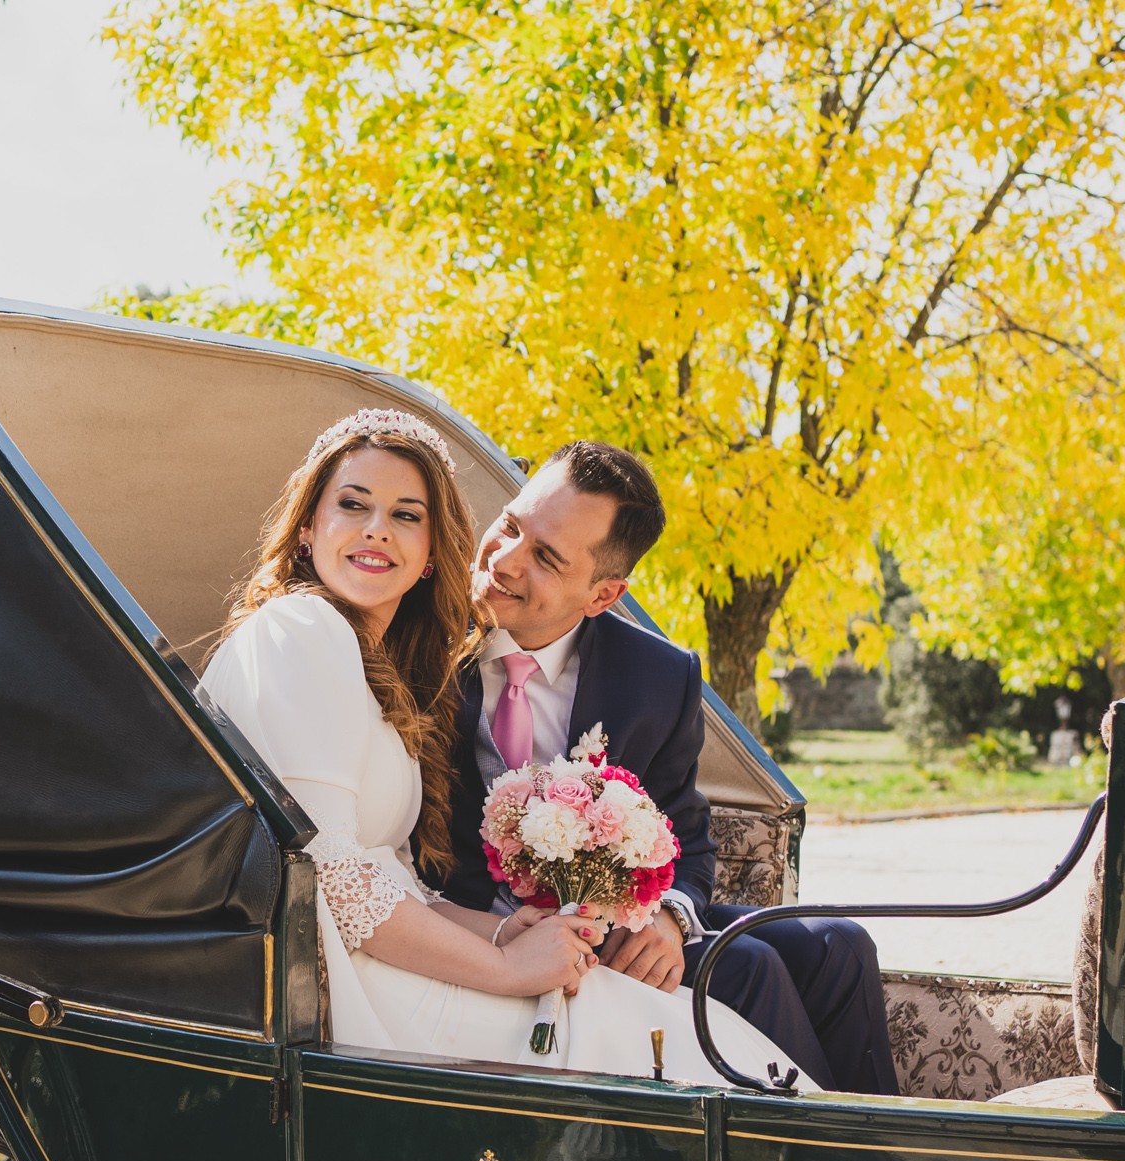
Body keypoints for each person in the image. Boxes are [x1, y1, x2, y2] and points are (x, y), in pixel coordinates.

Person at [200, 408, 808, 1084]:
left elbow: (392, 874)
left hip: (414, 945)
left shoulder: (369, 657)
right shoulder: (300, 630)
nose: (377, 529)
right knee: (670, 1033)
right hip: (343, 985)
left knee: (814, 952)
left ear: (433, 550)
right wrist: (505, 965)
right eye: (352, 504)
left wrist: (502, 934)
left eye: (407, 515)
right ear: (308, 524)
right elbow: (334, 877)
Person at [431, 440, 898, 1094]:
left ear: (604, 595)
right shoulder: (423, 643)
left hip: (614, 926)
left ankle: (884, 1145)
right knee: (748, 969)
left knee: (839, 946)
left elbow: (687, 834)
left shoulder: (659, 676)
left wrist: (670, 918)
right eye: (510, 524)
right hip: (497, 924)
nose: (503, 559)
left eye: (546, 556)